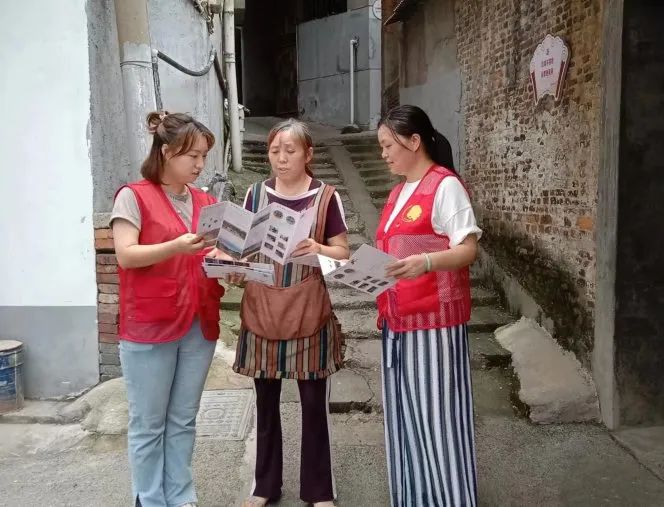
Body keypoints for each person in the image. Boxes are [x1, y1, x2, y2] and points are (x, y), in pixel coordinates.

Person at [231, 119, 349, 507]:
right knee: (265, 404)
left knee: (314, 406)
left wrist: (318, 248)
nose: (281, 159)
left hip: (308, 311)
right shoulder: (255, 195)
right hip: (261, 309)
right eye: (274, 151)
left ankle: (319, 491)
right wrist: (231, 264)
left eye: (290, 151)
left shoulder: (326, 197)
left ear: (308, 154)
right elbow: (241, 249)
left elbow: (342, 254)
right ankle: (264, 486)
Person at [111, 111, 225, 507]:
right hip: (150, 325)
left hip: (198, 321)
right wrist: (176, 246)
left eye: (203, 156)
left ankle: (180, 495)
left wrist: (233, 266)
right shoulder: (133, 196)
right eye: (192, 155)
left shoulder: (206, 201)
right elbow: (126, 255)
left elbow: (211, 255)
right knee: (148, 423)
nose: (199, 164)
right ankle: (149, 499)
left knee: (183, 419)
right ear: (165, 151)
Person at [375, 105, 482, 506]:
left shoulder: (445, 186)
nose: (383, 154)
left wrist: (427, 262)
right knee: (405, 416)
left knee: (438, 419)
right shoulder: (397, 192)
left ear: (414, 141)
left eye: (388, 145)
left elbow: (467, 249)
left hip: (434, 325)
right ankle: (416, 497)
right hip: (397, 320)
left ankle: (451, 498)